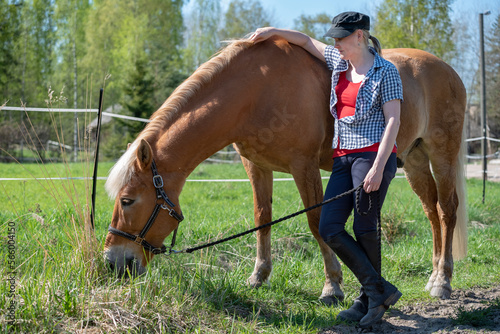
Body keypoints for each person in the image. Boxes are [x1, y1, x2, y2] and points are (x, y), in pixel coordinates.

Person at [250, 11, 403, 328]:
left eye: (341, 38)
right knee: (329, 227)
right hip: (343, 158)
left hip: (372, 156)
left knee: (364, 228)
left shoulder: (386, 72)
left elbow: (393, 121)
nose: (335, 43)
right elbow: (306, 41)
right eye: (334, 38)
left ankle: (369, 300)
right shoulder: (339, 62)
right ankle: (379, 290)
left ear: (359, 36)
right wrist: (273, 30)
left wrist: (377, 167)